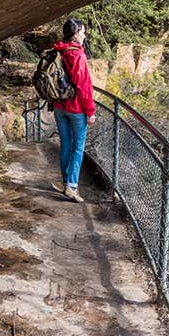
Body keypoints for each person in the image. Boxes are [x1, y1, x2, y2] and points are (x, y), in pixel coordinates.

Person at [51, 19, 96, 202]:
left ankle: (65, 183)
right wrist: (90, 111)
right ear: (76, 34)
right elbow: (84, 86)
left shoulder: (58, 50)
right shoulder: (77, 55)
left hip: (59, 106)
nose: (84, 35)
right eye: (83, 32)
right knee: (78, 148)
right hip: (76, 108)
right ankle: (72, 186)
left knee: (66, 145)